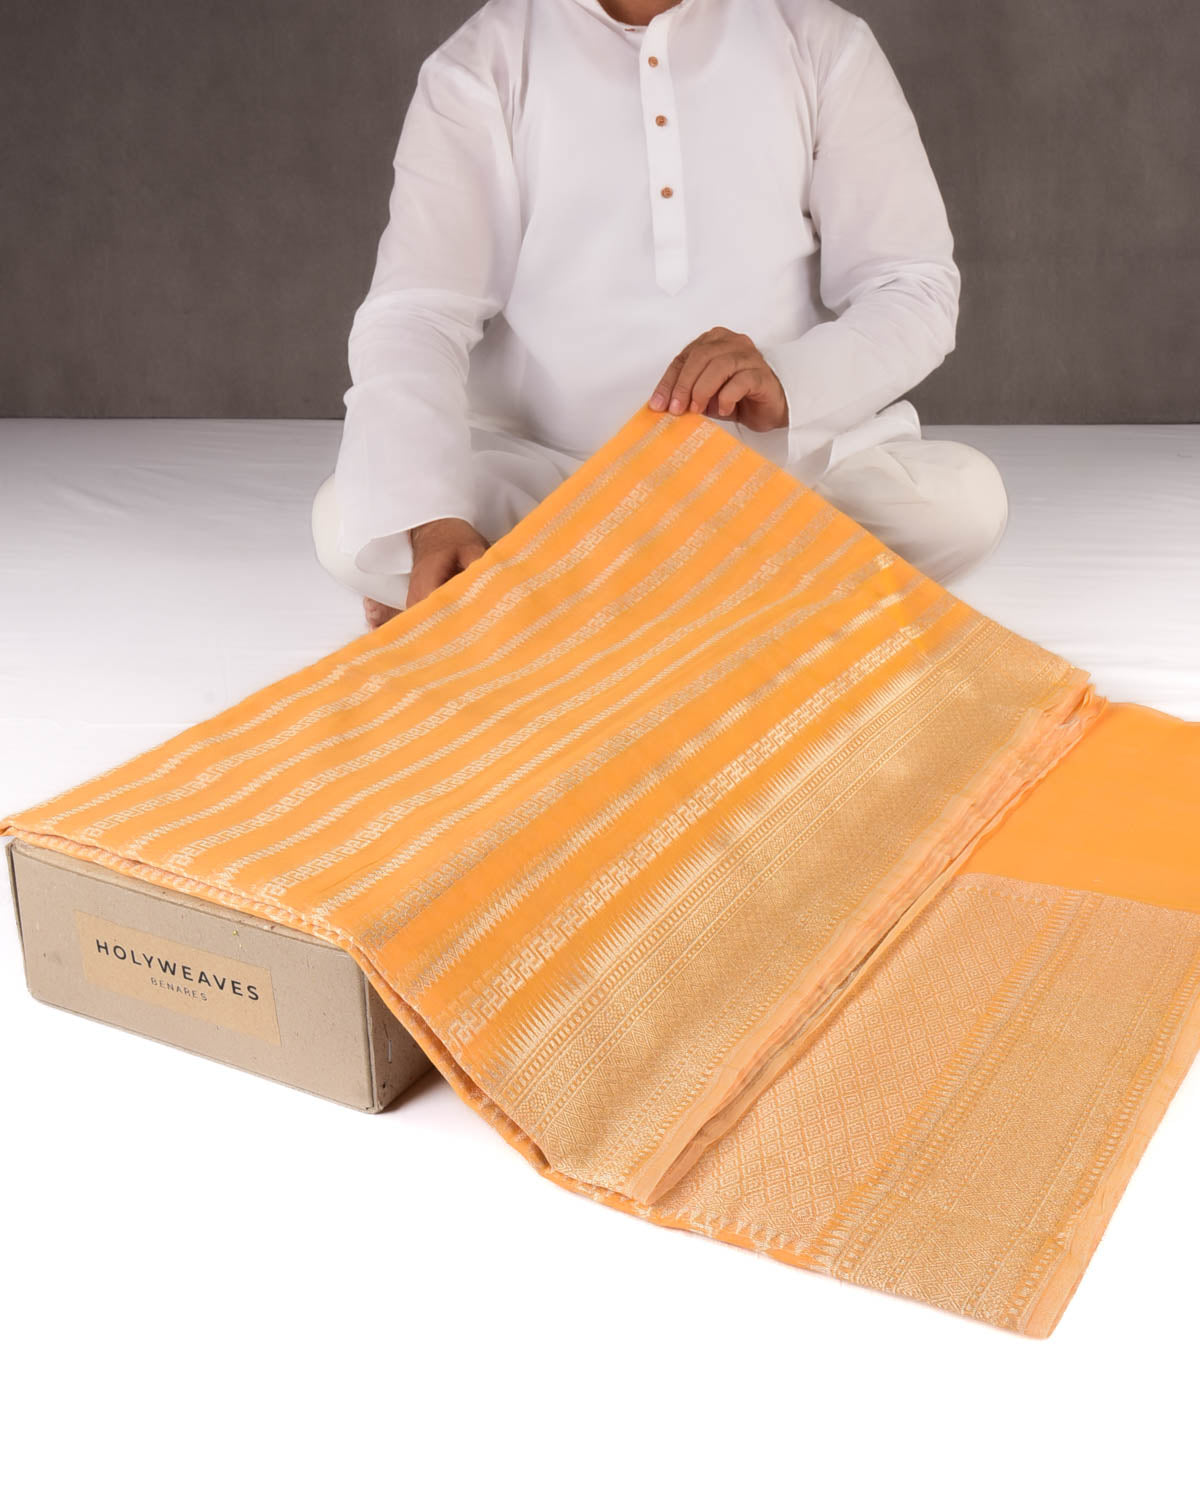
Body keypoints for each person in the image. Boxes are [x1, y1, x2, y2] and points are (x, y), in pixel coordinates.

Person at [312, 0, 1008, 629]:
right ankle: (765, 599)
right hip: (558, 479)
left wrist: (789, 382)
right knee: (349, 520)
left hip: (773, 481)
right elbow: (417, 312)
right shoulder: (482, 61)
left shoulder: (821, 40)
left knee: (962, 505)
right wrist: (434, 523)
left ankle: (554, 602)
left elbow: (912, 285)